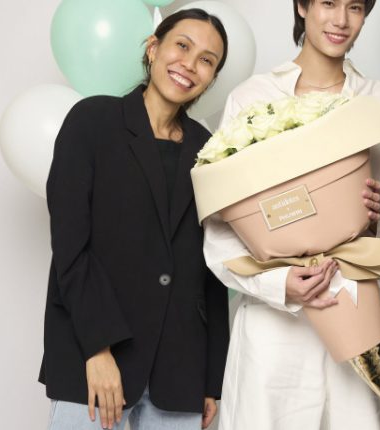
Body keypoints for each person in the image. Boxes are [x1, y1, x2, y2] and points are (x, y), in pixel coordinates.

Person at [202, 0, 380, 429]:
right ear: (302, 6)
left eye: (355, 7)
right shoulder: (252, 99)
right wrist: (278, 283)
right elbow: (219, 229)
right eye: (328, 3)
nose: (341, 20)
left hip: (356, 308)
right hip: (274, 325)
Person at [41, 9, 230, 430]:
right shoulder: (92, 121)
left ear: (212, 77)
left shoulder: (210, 149)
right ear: (153, 48)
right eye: (182, 46)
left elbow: (212, 269)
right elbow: (70, 246)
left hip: (179, 369)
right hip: (95, 358)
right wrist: (97, 349)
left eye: (206, 60)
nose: (190, 64)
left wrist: (211, 379)